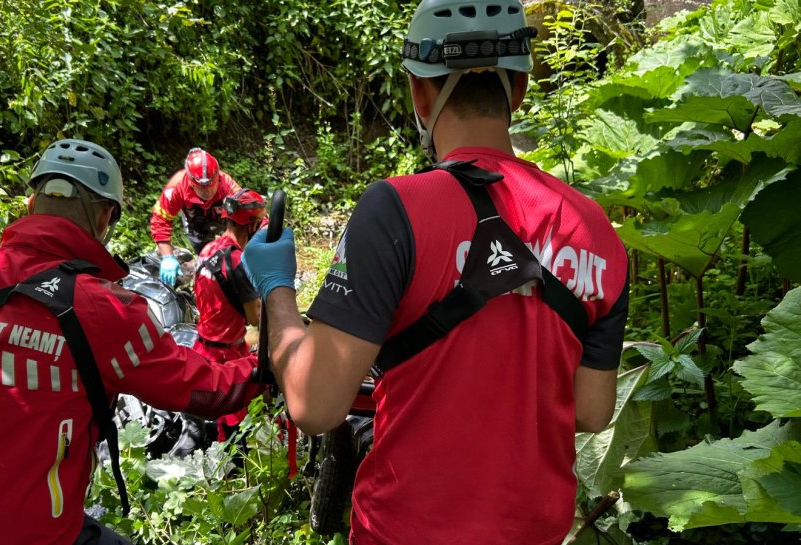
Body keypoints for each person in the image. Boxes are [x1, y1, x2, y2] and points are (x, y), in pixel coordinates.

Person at [240, 1, 630, 544]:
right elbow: (590, 410)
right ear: (518, 89)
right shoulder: (596, 230)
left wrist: (277, 289)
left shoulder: (395, 210)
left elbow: (315, 404)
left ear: (419, 94)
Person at [0, 139, 260, 545]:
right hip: (36, 533)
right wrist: (270, 363)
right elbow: (205, 390)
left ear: (31, 204)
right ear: (104, 217)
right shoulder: (109, 310)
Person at [191, 189, 266, 440]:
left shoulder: (208, 249)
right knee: (235, 429)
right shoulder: (237, 261)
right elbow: (256, 318)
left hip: (203, 346)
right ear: (253, 224)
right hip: (226, 355)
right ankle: (233, 472)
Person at [149, 147, 242, 286]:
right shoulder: (176, 187)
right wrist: (168, 257)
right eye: (202, 188)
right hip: (196, 227)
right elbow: (161, 220)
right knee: (205, 257)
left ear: (218, 178)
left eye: (212, 185)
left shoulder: (229, 187)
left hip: (223, 225)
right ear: (191, 183)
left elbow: (248, 217)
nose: (208, 191)